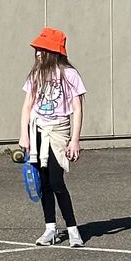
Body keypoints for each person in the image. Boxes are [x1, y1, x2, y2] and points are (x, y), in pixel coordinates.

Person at [18, 27, 85, 247]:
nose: (37, 53)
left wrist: (75, 139)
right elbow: (27, 106)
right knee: (43, 182)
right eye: (37, 49)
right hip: (37, 130)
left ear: (52, 51)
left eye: (41, 49)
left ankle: (73, 230)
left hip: (58, 131)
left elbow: (77, 107)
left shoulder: (69, 75)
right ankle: (50, 229)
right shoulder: (36, 74)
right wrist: (24, 136)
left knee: (57, 181)